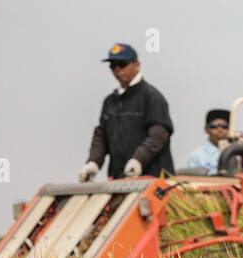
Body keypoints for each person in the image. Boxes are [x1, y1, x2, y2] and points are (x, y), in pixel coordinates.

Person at [78, 43, 174, 182]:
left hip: (152, 181)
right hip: (119, 180)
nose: (117, 69)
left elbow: (158, 134)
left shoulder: (151, 97)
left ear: (137, 64)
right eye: (113, 65)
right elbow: (102, 135)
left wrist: (138, 160)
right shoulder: (110, 101)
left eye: (122, 64)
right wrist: (93, 162)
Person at [185, 109, 231, 174]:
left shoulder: (237, 154)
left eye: (225, 126)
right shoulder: (197, 156)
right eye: (214, 126)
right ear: (206, 129)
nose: (220, 130)